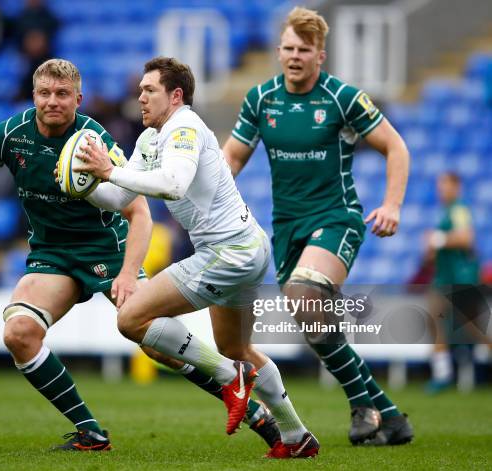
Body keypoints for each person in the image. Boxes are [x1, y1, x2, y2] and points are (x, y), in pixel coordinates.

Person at [0, 58, 279, 452]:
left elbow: (138, 212)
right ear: (33, 96)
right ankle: (90, 432)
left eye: (62, 94)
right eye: (44, 93)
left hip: (107, 251)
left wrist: (128, 274)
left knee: (153, 340)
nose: (52, 102)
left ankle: (251, 409)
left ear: (79, 98)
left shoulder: (93, 140)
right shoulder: (11, 133)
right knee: (19, 333)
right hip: (52, 255)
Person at [75, 56, 319, 459]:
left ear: (176, 95)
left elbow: (173, 185)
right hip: (245, 248)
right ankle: (296, 437)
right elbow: (118, 197)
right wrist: (81, 183)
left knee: (131, 317)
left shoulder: (184, 125)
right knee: (237, 347)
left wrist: (108, 170)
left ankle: (230, 379)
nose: (140, 97)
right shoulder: (151, 138)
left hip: (229, 252)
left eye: (149, 90)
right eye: (139, 90)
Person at [222, 7, 413, 446]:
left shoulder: (342, 98)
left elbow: (396, 146)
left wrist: (393, 205)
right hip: (287, 227)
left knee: (305, 295)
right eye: (288, 48)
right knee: (313, 320)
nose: (294, 56)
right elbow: (231, 157)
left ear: (320, 56)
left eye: (303, 50)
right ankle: (387, 414)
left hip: (336, 218)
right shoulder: (261, 99)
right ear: (278, 51)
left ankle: (360, 407)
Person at [425, 172, 488, 393]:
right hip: (444, 278)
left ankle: (443, 374)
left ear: (456, 186)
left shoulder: (459, 209)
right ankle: (442, 373)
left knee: (473, 329)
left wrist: (438, 239)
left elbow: (466, 238)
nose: (441, 190)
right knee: (434, 319)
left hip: (461, 278)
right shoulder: (446, 211)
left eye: (445, 185)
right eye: (439, 185)